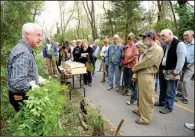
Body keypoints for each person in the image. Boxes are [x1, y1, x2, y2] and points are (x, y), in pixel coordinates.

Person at [6, 23, 42, 112]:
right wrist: (32, 87)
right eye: (38, 35)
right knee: (28, 123)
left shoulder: (22, 49)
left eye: (41, 35)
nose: (40, 38)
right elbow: (17, 82)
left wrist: (36, 78)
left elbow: (23, 72)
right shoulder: (23, 53)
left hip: (21, 95)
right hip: (21, 97)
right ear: (27, 35)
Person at [131, 30, 163, 125]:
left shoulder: (156, 49)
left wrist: (134, 68)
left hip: (147, 75)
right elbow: (142, 60)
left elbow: (146, 62)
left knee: (146, 97)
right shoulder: (149, 48)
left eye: (144, 37)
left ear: (150, 37)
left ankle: (145, 118)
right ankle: (140, 111)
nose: (143, 39)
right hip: (142, 74)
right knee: (140, 95)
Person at [154, 29, 187, 114]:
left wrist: (175, 73)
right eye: (161, 36)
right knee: (162, 87)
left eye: (163, 35)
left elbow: (181, 60)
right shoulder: (165, 44)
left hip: (171, 71)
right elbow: (163, 57)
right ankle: (162, 102)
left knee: (170, 89)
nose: (161, 37)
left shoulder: (179, 44)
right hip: (163, 69)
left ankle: (169, 107)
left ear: (170, 34)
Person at [127, 40, 147, 105]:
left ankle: (136, 100)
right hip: (137, 72)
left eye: (139, 47)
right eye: (137, 47)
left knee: (136, 88)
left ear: (143, 46)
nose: (138, 49)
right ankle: (134, 100)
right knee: (134, 86)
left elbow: (141, 65)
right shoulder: (141, 54)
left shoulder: (146, 54)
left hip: (143, 74)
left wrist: (135, 69)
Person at [176, 30, 194, 104]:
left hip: (191, 65)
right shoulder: (183, 44)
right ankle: (179, 92)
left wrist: (190, 63)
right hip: (182, 64)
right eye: (184, 35)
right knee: (179, 79)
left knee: (186, 80)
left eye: (187, 35)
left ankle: (185, 97)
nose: (185, 37)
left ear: (192, 35)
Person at [122, 33, 139, 103]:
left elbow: (135, 56)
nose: (129, 41)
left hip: (131, 65)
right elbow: (123, 54)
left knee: (130, 78)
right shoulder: (127, 46)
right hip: (125, 65)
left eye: (130, 40)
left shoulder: (135, 47)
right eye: (128, 40)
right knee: (125, 77)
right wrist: (123, 49)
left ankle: (130, 91)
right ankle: (126, 89)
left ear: (133, 39)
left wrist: (128, 61)